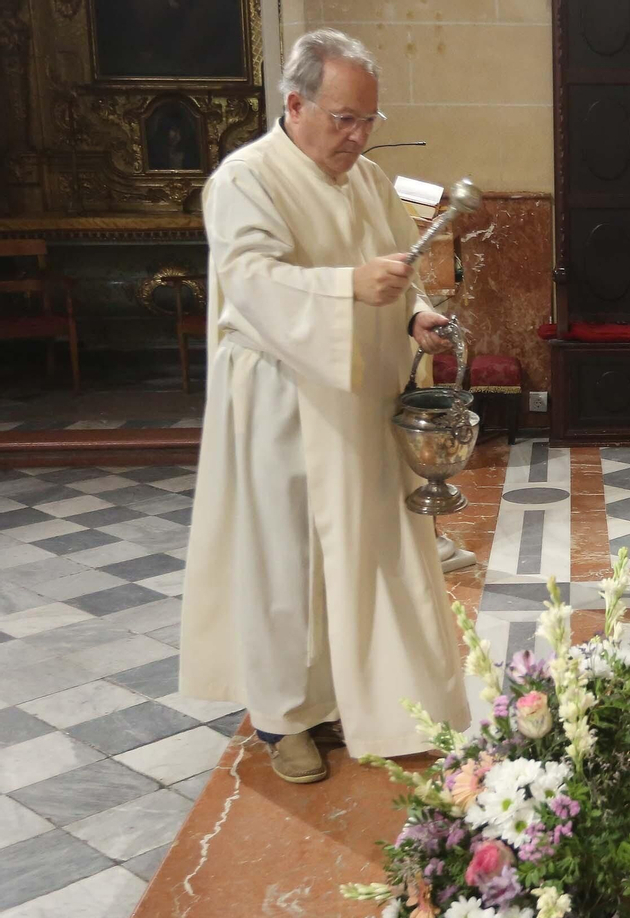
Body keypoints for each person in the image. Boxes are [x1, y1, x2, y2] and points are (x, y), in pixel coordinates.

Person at [177, 28, 468, 784]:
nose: (360, 135)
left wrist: (415, 314)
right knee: (287, 560)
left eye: (369, 119)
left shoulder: (367, 180)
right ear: (296, 103)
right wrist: (346, 288)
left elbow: (395, 269)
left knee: (359, 550)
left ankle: (343, 695)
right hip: (284, 402)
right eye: (345, 119)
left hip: (360, 393)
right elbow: (250, 282)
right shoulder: (247, 180)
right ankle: (281, 718)